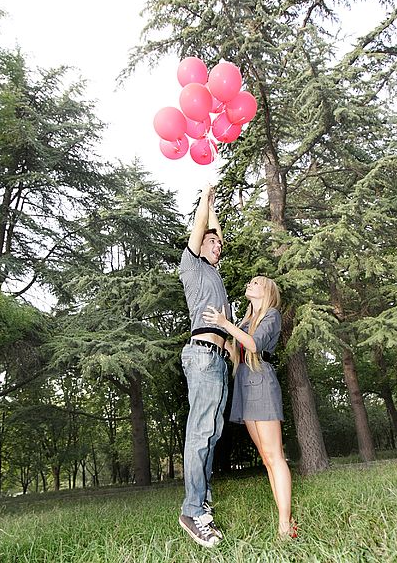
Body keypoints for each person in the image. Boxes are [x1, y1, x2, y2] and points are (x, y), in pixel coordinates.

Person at [202, 276, 297, 539]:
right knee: (266, 459)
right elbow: (238, 354)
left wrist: (224, 323)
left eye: (256, 283)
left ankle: (285, 525)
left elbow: (254, 344)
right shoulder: (244, 322)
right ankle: (285, 522)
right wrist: (219, 340)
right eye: (250, 282)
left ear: (266, 292)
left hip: (262, 383)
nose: (250, 284)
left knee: (275, 457)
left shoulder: (272, 315)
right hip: (245, 383)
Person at [178, 184, 230, 548]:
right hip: (202, 355)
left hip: (219, 360)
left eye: (219, 245)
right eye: (212, 243)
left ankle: (202, 504)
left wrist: (213, 211)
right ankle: (191, 510)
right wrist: (205, 199)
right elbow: (202, 229)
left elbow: (215, 232)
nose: (217, 246)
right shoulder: (191, 267)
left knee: (211, 435)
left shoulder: (215, 273)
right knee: (200, 434)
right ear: (200, 246)